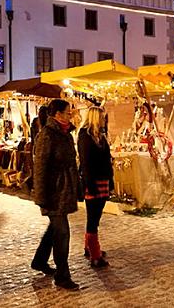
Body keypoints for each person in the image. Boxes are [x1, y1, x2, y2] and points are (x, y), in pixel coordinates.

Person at [31, 99, 81, 290]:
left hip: (64, 190)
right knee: (62, 233)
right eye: (68, 112)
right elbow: (40, 168)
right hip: (53, 193)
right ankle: (62, 275)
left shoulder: (65, 133)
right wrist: (42, 197)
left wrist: (76, 186)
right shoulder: (47, 135)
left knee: (54, 229)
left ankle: (39, 261)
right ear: (57, 114)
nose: (71, 115)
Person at [78, 106, 113, 268]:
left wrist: (110, 181)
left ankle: (89, 247)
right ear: (95, 118)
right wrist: (89, 184)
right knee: (93, 219)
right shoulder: (85, 136)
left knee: (95, 217)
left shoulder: (101, 136)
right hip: (92, 182)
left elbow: (107, 159)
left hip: (103, 180)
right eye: (102, 117)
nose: (104, 120)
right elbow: (86, 163)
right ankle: (95, 255)